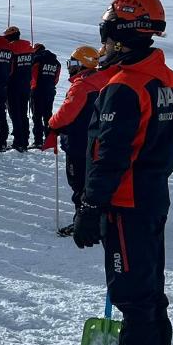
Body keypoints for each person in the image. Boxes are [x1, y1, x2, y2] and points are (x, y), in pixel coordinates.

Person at [72, 0, 173, 345]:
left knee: (132, 294)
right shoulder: (161, 76)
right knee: (151, 290)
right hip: (152, 196)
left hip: (127, 200)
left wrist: (91, 206)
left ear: (125, 36)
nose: (106, 47)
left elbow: (110, 154)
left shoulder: (126, 86)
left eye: (110, 38)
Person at [45, 45, 105, 235]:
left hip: (79, 142)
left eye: (72, 63)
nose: (70, 67)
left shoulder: (82, 86)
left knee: (79, 184)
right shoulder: (102, 80)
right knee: (93, 182)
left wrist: (52, 125)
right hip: (97, 142)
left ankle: (83, 223)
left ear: (82, 64)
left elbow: (65, 115)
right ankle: (99, 219)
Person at [5, 26, 33, 151]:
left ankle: (18, 141)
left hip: (13, 85)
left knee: (14, 114)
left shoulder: (10, 49)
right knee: (23, 113)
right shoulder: (29, 48)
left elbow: (9, 69)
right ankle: (25, 140)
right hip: (26, 85)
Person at [29, 43, 60, 148]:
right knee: (48, 116)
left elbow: (33, 76)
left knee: (37, 116)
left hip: (37, 91)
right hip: (50, 91)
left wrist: (32, 88)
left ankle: (38, 140)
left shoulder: (37, 60)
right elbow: (56, 79)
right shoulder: (56, 62)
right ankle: (49, 139)